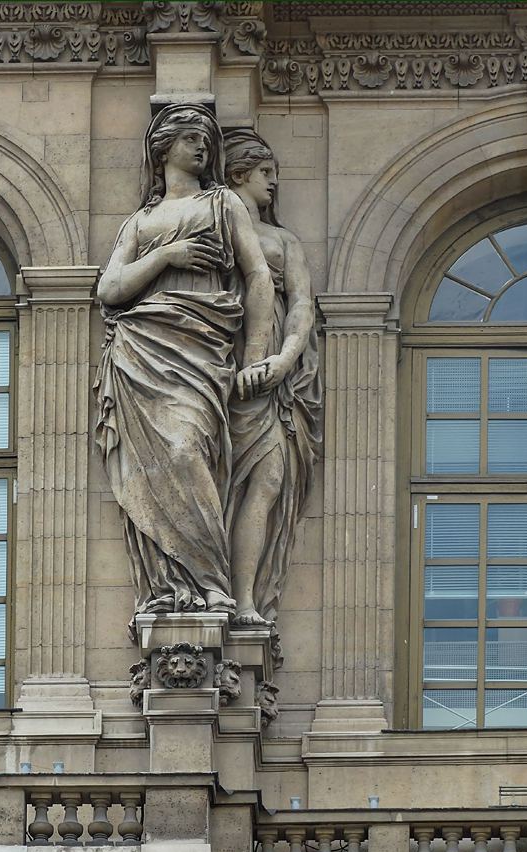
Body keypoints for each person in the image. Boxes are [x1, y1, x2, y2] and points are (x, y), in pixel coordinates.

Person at [94, 104, 274, 626]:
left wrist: (254, 356)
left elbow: (258, 276)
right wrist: (164, 258)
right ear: (163, 148)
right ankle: (176, 583)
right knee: (153, 464)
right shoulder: (140, 222)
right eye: (192, 138)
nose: (203, 148)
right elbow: (109, 290)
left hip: (202, 348)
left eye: (207, 141)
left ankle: (211, 580)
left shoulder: (222, 203)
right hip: (140, 348)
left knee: (186, 447)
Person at [224, 128, 322, 628]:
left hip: (275, 377)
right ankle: (210, 594)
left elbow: (302, 303)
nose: (274, 184)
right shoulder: (212, 223)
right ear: (239, 173)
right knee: (217, 486)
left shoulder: (284, 241)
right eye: (266, 174)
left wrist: (283, 360)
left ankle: (245, 600)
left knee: (268, 481)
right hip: (219, 360)